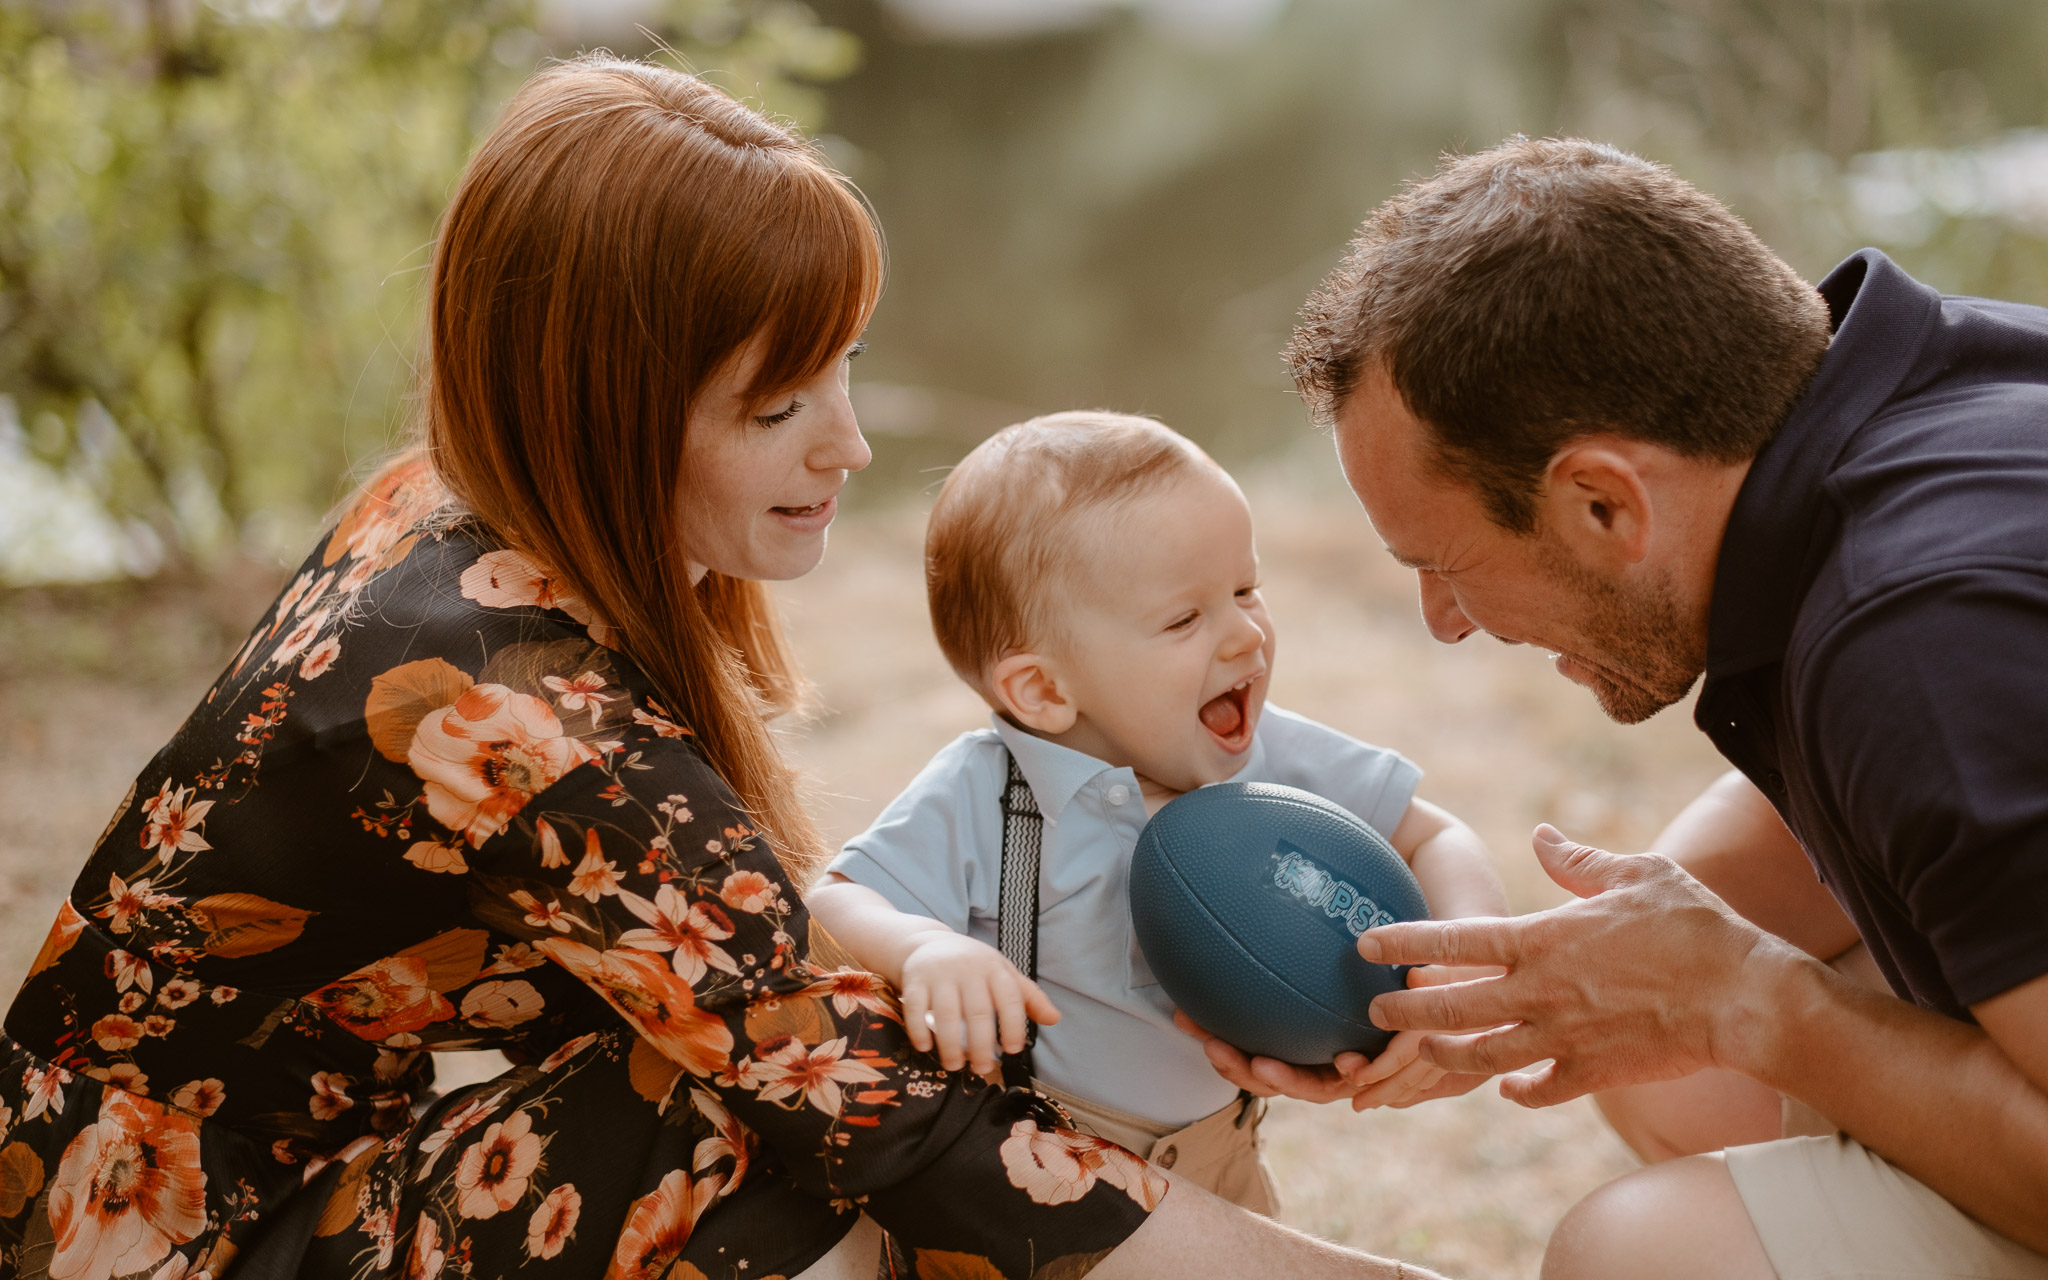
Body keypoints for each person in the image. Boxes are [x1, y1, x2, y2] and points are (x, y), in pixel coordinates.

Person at [0, 57, 1448, 1280]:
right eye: (778, 404)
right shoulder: (491, 699)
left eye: (844, 369)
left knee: (839, 1047)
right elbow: (877, 1110)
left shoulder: (464, 510)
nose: (851, 447)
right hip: (163, 1241)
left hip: (276, 1167)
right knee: (772, 1130)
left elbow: (761, 954)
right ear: (612, 404)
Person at [1184, 136, 2048, 1277]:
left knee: (1634, 1253)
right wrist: (1532, 985)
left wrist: (1750, 998)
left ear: (1602, 502)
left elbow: (1926, 728)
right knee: (1686, 1071)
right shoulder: (1940, 400)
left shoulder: (1914, 642)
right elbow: (1915, 797)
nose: (1442, 619)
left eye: (1444, 561)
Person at [808, 412, 1508, 1213]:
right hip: (1051, 1171)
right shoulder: (990, 792)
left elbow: (1435, 834)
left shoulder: (1267, 759)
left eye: (1246, 590)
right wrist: (926, 947)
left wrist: (1458, 962)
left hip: (1223, 1156)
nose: (1247, 634)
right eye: (1185, 618)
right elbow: (834, 899)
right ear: (1041, 690)